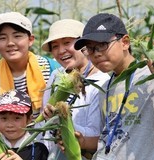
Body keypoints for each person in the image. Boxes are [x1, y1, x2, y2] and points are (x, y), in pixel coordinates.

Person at [73, 13, 154, 160]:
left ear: (125, 42)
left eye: (102, 45)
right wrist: (83, 142)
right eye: (89, 49)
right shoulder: (105, 88)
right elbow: (111, 139)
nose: (95, 54)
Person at [0, 11, 60, 160]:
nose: (10, 43)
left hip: (46, 150)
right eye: (2, 38)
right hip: (2, 151)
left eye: (17, 36)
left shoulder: (52, 69)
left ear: (31, 40)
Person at [41, 19, 110, 159]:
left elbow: (96, 134)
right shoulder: (56, 76)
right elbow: (45, 126)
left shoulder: (102, 82)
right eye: (55, 46)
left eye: (67, 43)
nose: (61, 51)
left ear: (83, 45)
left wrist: (61, 120)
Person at [0, 89, 49, 160]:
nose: (10, 125)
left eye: (17, 118)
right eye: (4, 118)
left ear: (29, 119)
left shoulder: (38, 150)